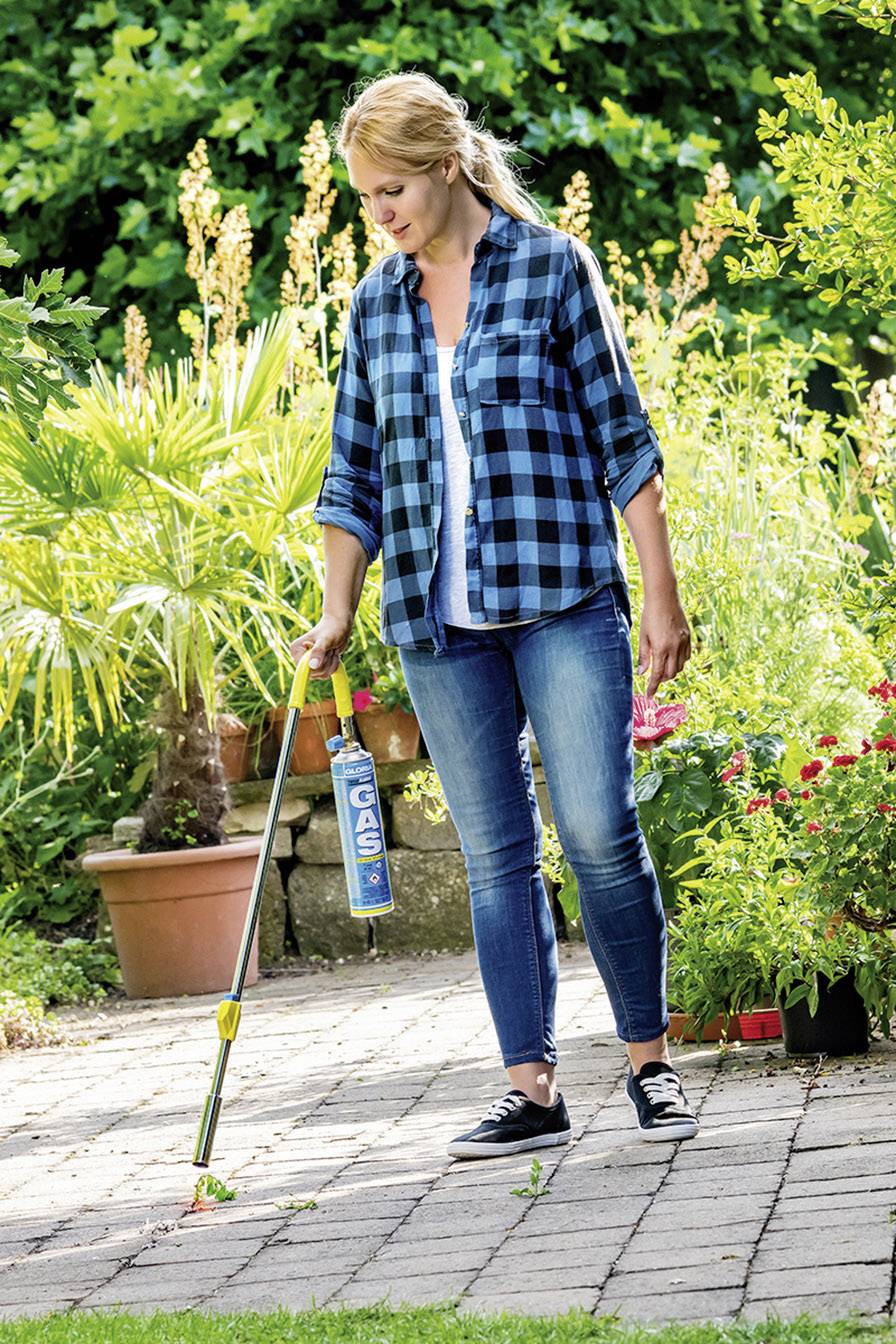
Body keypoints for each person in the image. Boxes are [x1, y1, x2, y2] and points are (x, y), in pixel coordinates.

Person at [293, 70, 700, 1158]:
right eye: (364, 197)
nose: (377, 215)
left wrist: (658, 593)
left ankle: (649, 1067)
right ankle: (532, 1089)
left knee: (599, 833)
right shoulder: (377, 302)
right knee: (495, 857)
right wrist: (336, 608)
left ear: (442, 167)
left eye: (390, 191)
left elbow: (625, 443)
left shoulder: (553, 269)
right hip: (438, 619)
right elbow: (352, 474)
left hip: (565, 598)